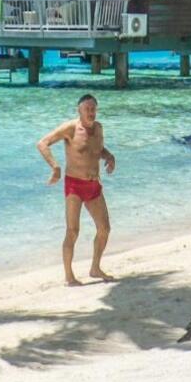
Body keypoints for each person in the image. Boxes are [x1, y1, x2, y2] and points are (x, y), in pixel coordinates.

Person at [37, 93, 116, 286]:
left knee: (104, 228)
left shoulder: (98, 128)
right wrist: (55, 167)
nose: (91, 112)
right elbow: (42, 143)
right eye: (87, 109)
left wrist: (109, 156)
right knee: (73, 231)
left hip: (93, 185)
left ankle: (95, 268)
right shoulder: (71, 128)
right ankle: (69, 276)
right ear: (79, 111)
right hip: (74, 185)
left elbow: (97, 150)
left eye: (93, 109)